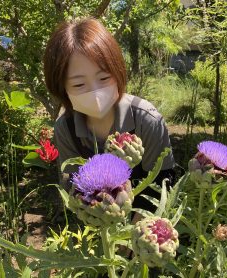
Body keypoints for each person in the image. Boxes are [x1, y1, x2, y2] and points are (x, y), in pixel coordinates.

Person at [43, 17, 175, 211]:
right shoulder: (65, 128)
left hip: (143, 220)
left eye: (104, 77)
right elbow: (74, 190)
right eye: (79, 84)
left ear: (118, 71)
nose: (95, 92)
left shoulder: (147, 120)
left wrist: (133, 237)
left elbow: (161, 188)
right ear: (61, 88)